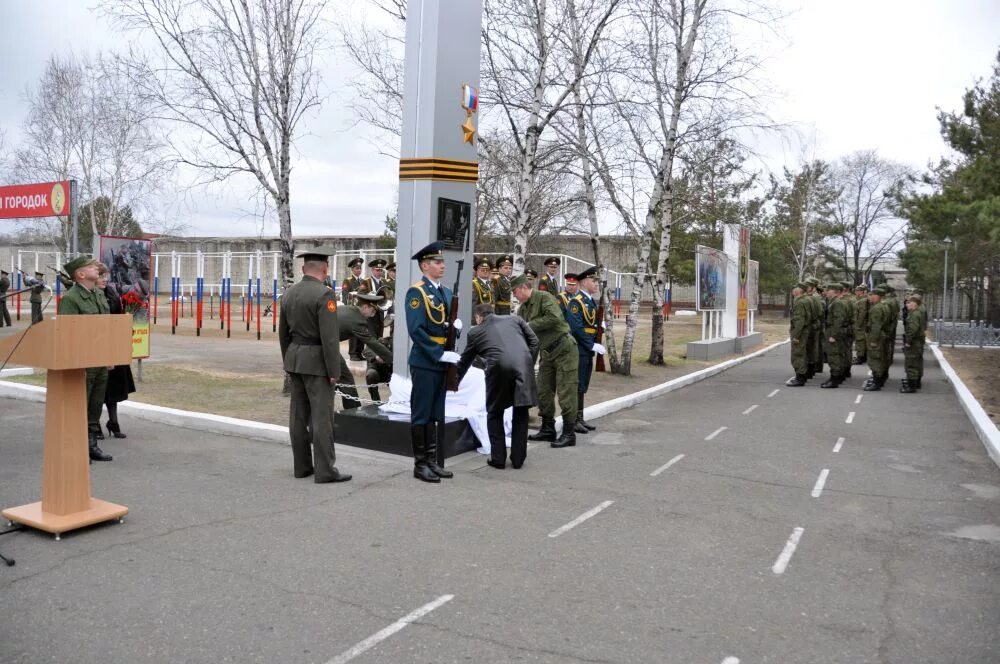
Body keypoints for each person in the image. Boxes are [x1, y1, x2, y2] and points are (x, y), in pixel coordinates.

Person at [278, 247, 352, 483]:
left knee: (298, 418)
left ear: (303, 269)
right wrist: (334, 371)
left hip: (295, 359)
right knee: (322, 420)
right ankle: (325, 471)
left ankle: (302, 467)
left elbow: (283, 334)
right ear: (325, 269)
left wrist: (288, 362)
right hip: (317, 363)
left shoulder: (289, 294)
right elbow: (330, 338)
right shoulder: (324, 295)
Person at [456, 303, 539, 469]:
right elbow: (535, 342)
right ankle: (518, 459)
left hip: (498, 371)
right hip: (523, 367)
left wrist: (452, 383)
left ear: (478, 317)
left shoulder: (475, 332)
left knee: (494, 413)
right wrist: (527, 363)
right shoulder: (516, 319)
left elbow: (464, 361)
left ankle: (498, 458)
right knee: (521, 413)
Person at [405, 241, 459, 483]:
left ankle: (432, 461)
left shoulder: (446, 292)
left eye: (442, 262)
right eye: (437, 262)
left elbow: (445, 326)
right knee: (422, 412)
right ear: (425, 265)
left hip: (441, 361)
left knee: (436, 412)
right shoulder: (417, 292)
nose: (442, 265)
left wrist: (454, 329)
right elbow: (416, 330)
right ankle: (420, 464)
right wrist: (438, 353)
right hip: (426, 361)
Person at [58, 256, 113, 462]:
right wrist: (73, 363)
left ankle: (91, 444)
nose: (96, 269)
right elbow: (66, 334)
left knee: (96, 403)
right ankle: (75, 448)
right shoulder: (71, 299)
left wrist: (109, 354)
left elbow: (106, 328)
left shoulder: (98, 293)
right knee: (79, 404)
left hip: (99, 358)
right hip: (82, 360)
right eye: (91, 267)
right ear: (80, 275)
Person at [513, 273, 579, 448]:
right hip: (546, 352)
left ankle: (568, 433)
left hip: (564, 349)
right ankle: (548, 428)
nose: (514, 296)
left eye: (515, 292)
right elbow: (526, 337)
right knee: (543, 391)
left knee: (566, 392)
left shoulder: (544, 297)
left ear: (523, 288)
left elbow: (554, 318)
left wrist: (529, 325)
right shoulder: (523, 310)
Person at [97, 264, 136, 440]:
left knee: (113, 388)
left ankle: (113, 422)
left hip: (113, 345)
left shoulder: (112, 293)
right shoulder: (89, 296)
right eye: (101, 276)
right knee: (98, 390)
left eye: (106, 276)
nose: (105, 279)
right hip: (97, 345)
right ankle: (94, 425)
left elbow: (118, 316)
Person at [335, 292, 393, 409]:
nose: (372, 315)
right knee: (346, 379)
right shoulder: (357, 320)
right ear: (365, 307)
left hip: (321, 345)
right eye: (373, 311)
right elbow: (372, 343)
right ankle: (353, 412)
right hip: (324, 348)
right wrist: (393, 360)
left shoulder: (347, 309)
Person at [570, 267, 606, 431]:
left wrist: (600, 327)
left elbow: (590, 324)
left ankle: (580, 418)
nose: (597, 284)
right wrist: (591, 344)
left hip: (587, 349)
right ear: (584, 282)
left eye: (597, 281)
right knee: (578, 384)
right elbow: (576, 328)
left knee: (583, 383)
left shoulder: (590, 300)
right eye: (594, 281)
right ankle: (575, 421)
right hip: (579, 348)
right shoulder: (576, 302)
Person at [820, 282, 848, 388]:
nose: (827, 292)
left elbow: (839, 320)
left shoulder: (837, 303)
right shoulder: (833, 301)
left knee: (834, 356)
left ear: (835, 291)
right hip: (831, 330)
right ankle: (835, 377)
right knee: (834, 355)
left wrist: (834, 335)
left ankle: (835, 379)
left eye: (829, 290)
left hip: (833, 332)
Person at [864, 286, 891, 391]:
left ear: (877, 296)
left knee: (875, 359)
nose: (870, 297)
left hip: (876, 336)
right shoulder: (884, 306)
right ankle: (881, 379)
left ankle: (876, 382)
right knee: (882, 358)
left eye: (872, 295)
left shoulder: (876, 308)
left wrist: (874, 340)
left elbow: (876, 326)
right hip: (882, 335)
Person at [899, 293, 927, 393]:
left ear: (914, 304)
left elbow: (912, 330)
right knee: (917, 362)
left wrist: (908, 341)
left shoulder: (915, 315)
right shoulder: (917, 313)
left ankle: (911, 386)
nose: (907, 305)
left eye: (909, 303)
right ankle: (915, 382)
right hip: (917, 342)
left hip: (914, 343)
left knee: (911, 363)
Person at [785, 283, 810, 386]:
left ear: (800, 290)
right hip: (803, 332)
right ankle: (801, 376)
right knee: (801, 354)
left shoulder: (800, 302)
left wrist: (796, 336)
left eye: (795, 288)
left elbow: (799, 321)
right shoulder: (804, 300)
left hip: (800, 333)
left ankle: (800, 378)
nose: (793, 290)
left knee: (798, 355)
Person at [341, 257, 365, 359]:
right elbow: (346, 296)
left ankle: (359, 352)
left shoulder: (364, 281)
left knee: (362, 331)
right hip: (353, 310)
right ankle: (353, 353)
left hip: (362, 310)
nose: (359, 270)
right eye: (356, 268)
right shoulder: (348, 281)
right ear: (352, 269)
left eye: (360, 268)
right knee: (354, 332)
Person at [803, 277, 823, 377]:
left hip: (812, 324)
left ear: (812, 287)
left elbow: (818, 312)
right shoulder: (813, 296)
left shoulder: (815, 297)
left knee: (810, 348)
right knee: (811, 347)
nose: (805, 287)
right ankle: (811, 369)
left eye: (807, 286)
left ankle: (810, 370)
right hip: (813, 324)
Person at [853, 284, 869, 365]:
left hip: (861, 325)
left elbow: (862, 313)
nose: (856, 292)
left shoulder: (863, 301)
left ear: (862, 292)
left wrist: (858, 324)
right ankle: (862, 356)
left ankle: (860, 357)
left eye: (858, 290)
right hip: (860, 324)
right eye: (856, 290)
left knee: (860, 341)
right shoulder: (858, 299)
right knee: (860, 340)